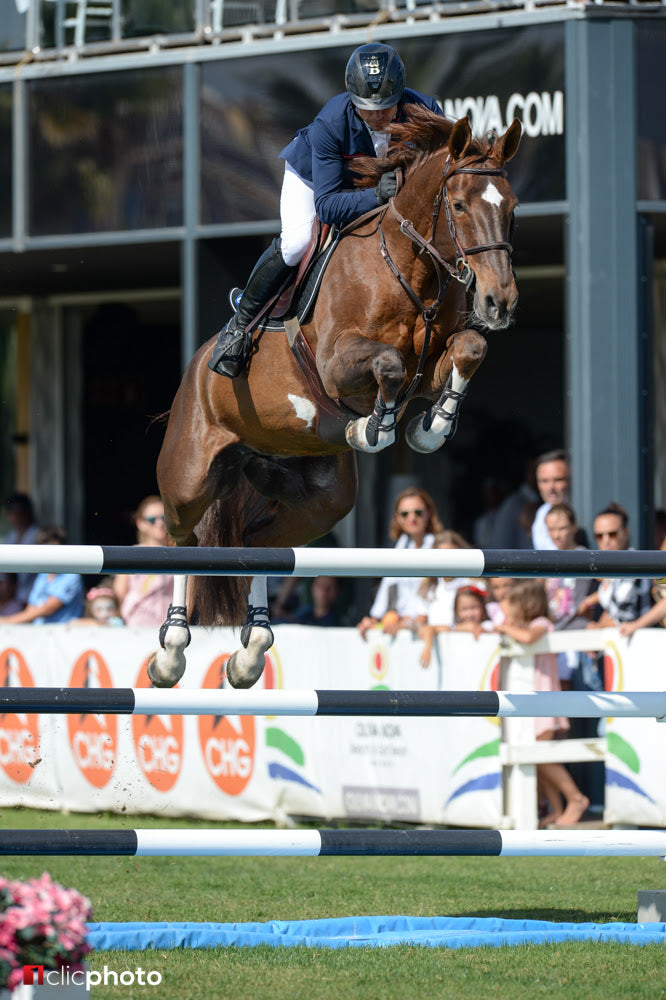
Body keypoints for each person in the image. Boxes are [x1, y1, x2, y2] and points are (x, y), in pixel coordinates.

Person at [208, 42, 444, 378]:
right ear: (352, 98)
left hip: (374, 186)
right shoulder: (332, 122)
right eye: (367, 108)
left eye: (386, 107)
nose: (377, 116)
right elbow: (329, 206)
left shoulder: (426, 110)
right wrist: (377, 196)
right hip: (314, 180)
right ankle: (239, 325)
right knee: (298, 242)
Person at [493, 579, 590, 827]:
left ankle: (576, 798)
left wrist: (505, 628)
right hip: (531, 703)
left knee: (543, 757)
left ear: (527, 604)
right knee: (539, 758)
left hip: (543, 699)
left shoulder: (542, 624)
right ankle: (557, 810)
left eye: (513, 602)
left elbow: (528, 638)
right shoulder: (527, 623)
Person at [356, 487, 443, 640]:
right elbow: (387, 587)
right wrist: (373, 620)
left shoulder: (441, 546)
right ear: (397, 517)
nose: (412, 518)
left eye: (418, 512)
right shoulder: (401, 546)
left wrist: (411, 623)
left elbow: (440, 593)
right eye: (405, 513)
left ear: (429, 513)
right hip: (402, 628)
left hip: (431, 631)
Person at [543, 502, 598, 687]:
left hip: (579, 635)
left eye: (562, 528)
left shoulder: (584, 555)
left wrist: (590, 600)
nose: (556, 534)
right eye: (551, 529)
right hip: (553, 637)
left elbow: (610, 582)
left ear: (573, 527)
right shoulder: (547, 560)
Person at [579, 502, 652, 629]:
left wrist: (596, 627)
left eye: (612, 534)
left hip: (640, 643)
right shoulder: (611, 569)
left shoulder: (635, 564)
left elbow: (623, 618)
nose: (606, 540)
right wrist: (589, 602)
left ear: (626, 532)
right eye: (599, 536)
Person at [1, 525, 84, 624]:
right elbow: (31, 608)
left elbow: (47, 609)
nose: (50, 555)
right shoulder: (43, 575)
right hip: (41, 633)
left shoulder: (71, 576)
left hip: (63, 634)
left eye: (53, 550)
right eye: (46, 551)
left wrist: (7, 621)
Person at [113, 496, 174, 627]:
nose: (159, 523)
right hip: (135, 625)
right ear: (140, 523)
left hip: (171, 627)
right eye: (152, 520)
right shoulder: (130, 554)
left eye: (164, 518)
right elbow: (119, 595)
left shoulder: (181, 554)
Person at [418, 583, 490, 668]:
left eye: (474, 607)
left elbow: (474, 627)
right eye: (464, 609)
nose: (470, 614)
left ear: (482, 606)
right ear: (456, 610)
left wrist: (458, 629)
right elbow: (428, 628)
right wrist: (428, 648)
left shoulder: (488, 625)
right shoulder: (453, 627)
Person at [3, 492, 40, 607]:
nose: (14, 516)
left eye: (18, 512)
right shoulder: (10, 537)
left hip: (34, 598)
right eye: (11, 512)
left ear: (27, 513)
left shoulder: (38, 536)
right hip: (14, 598)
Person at [530, 450, 571, 550]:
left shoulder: (585, 508)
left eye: (558, 479)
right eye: (544, 481)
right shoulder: (541, 514)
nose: (551, 487)